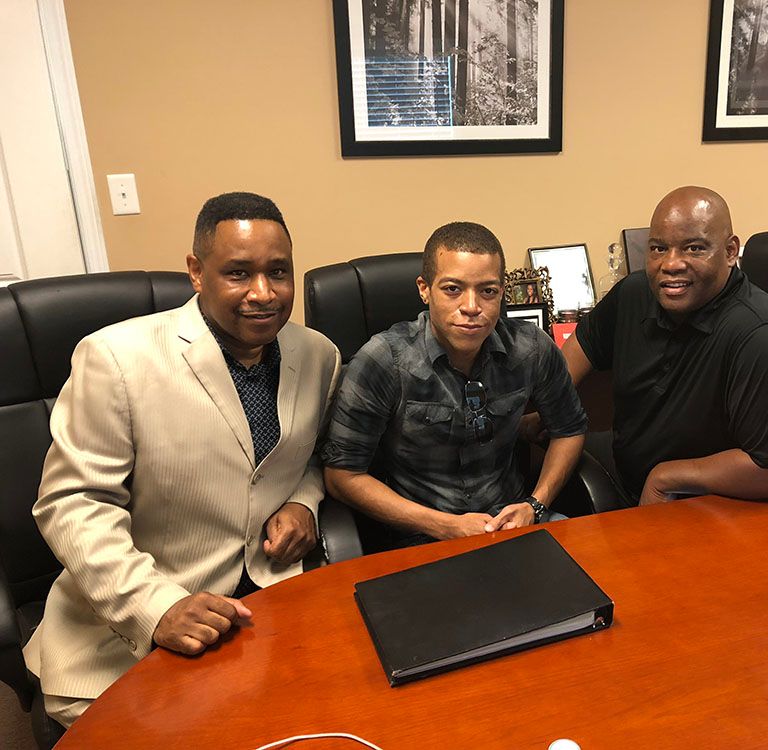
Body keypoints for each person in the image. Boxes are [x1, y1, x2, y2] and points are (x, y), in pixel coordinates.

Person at [23, 192, 341, 728]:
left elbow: (311, 457)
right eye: (238, 273)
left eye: (278, 272)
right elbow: (71, 502)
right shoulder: (117, 359)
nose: (263, 293)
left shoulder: (318, 355)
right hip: (129, 627)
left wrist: (304, 503)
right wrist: (156, 606)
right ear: (196, 271)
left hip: (268, 604)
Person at [323, 221, 587, 547]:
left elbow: (569, 429)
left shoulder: (530, 348)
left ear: (502, 292)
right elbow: (341, 476)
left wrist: (535, 504)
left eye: (487, 291)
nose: (472, 307)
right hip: (422, 537)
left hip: (514, 524)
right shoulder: (384, 360)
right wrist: (445, 526)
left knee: (594, 572)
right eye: (453, 289)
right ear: (424, 288)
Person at [560, 186, 768, 505]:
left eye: (694, 249)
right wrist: (543, 411)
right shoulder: (635, 293)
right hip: (635, 484)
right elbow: (571, 360)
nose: (671, 264)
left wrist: (667, 477)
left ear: (730, 251)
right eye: (658, 248)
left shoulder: (765, 338)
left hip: (727, 505)